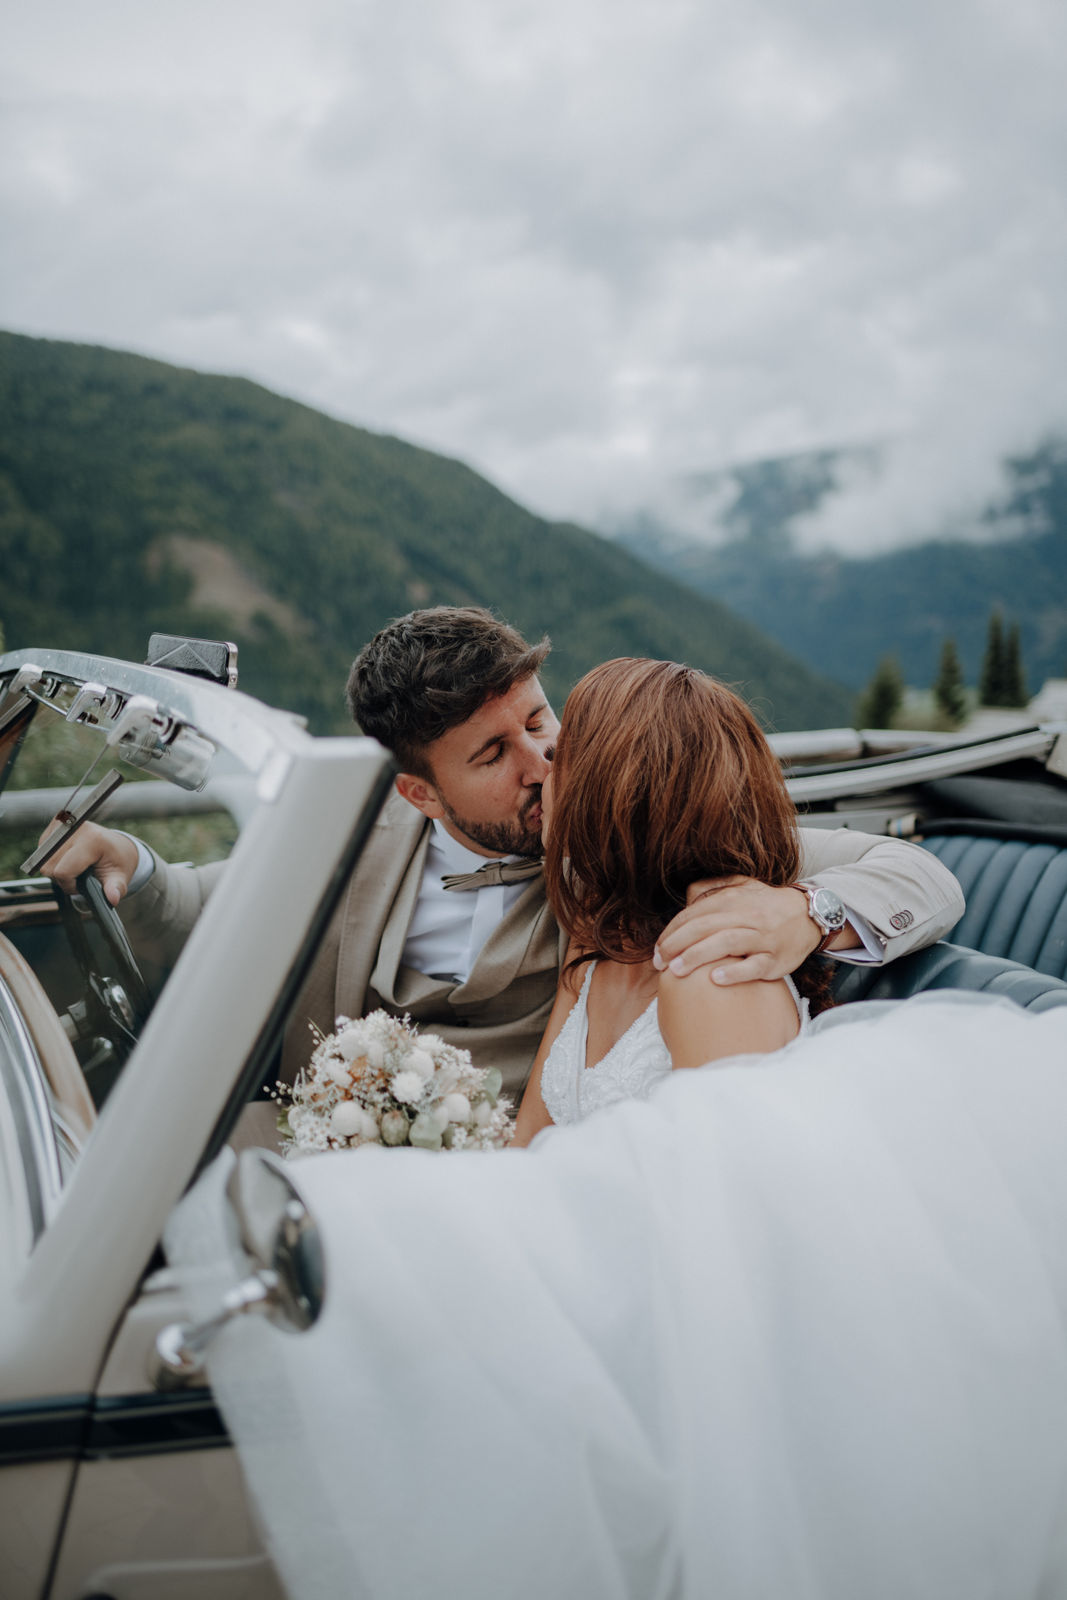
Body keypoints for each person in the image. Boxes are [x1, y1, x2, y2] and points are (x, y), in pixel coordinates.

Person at [43, 607, 964, 1105]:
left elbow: (916, 873)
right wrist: (126, 854)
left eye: (537, 720)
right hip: (335, 1135)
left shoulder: (631, 825)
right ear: (421, 793)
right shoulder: (359, 838)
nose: (543, 761)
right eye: (493, 755)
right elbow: (212, 901)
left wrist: (803, 912)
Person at [514, 659, 830, 1143]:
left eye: (562, 757)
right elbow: (528, 1142)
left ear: (615, 796)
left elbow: (741, 1196)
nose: (543, 776)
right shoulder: (598, 934)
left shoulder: (714, 977)